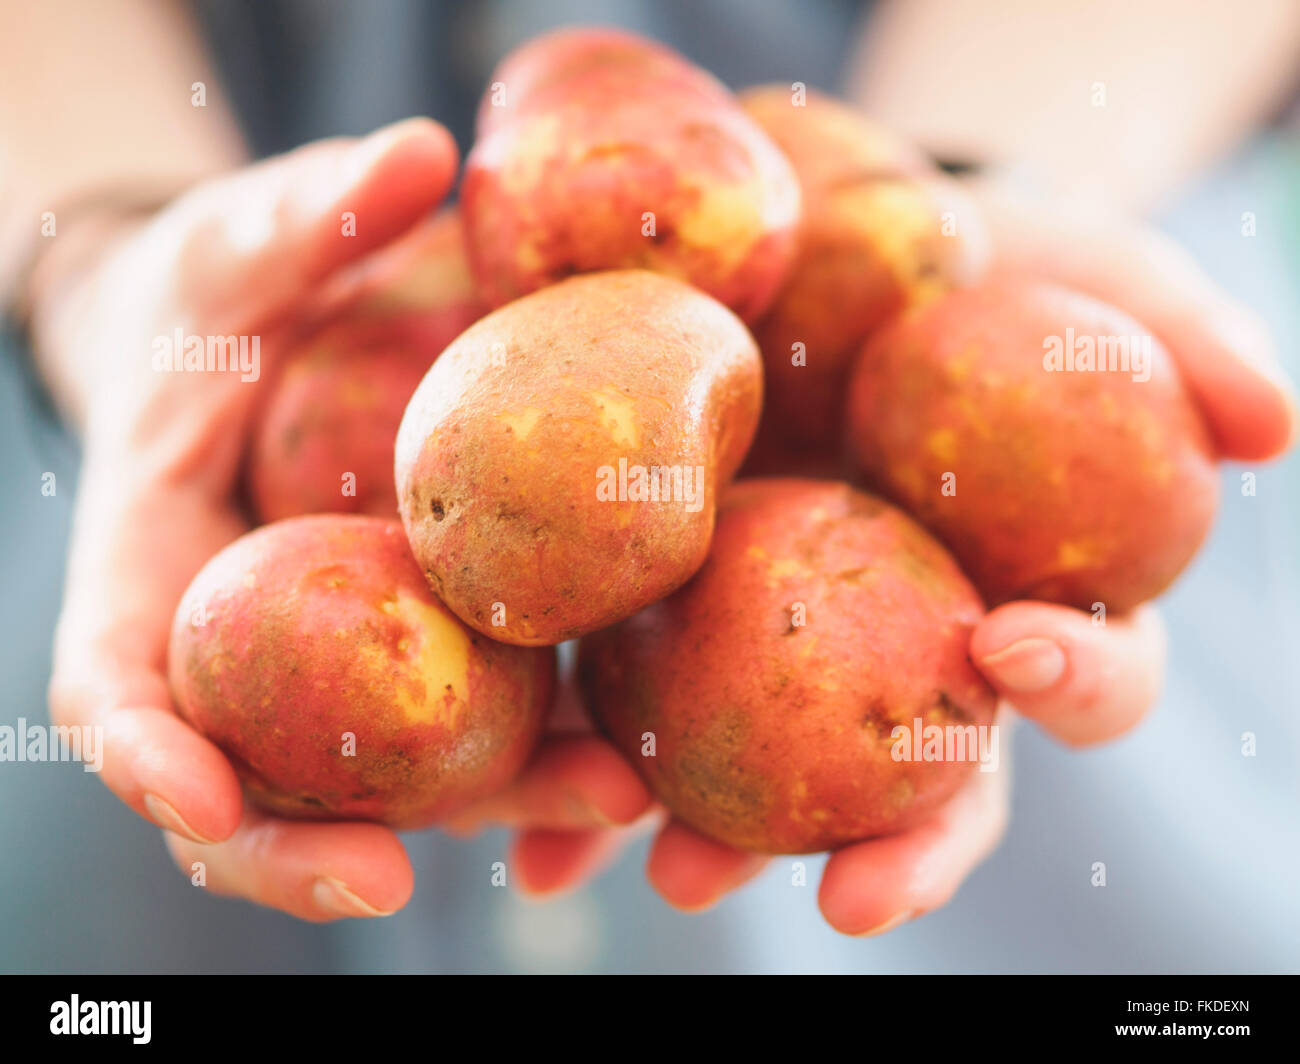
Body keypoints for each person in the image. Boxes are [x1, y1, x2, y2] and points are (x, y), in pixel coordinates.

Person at [2, 0, 1296, 945]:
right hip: (227, 396)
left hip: (964, 186)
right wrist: (97, 253)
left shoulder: (818, 289)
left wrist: (979, 180)